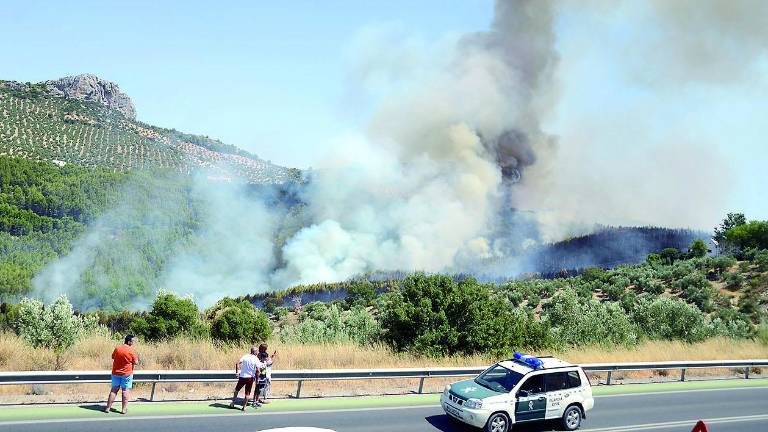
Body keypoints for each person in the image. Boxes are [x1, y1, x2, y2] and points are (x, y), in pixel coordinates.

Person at [105, 335, 139, 414]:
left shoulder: (117, 348)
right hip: (127, 374)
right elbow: (136, 362)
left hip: (116, 373)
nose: (133, 343)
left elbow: (113, 357)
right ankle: (123, 409)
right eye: (133, 341)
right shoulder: (131, 351)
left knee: (114, 390)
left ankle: (107, 408)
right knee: (125, 390)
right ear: (129, 341)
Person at [230, 346, 261, 411]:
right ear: (255, 352)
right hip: (250, 378)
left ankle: (233, 403)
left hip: (242, 376)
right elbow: (258, 370)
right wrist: (257, 379)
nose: (258, 352)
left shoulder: (245, 356)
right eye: (257, 351)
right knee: (247, 393)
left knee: (236, 390)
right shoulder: (256, 359)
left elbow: (237, 363)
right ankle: (244, 407)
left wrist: (237, 373)